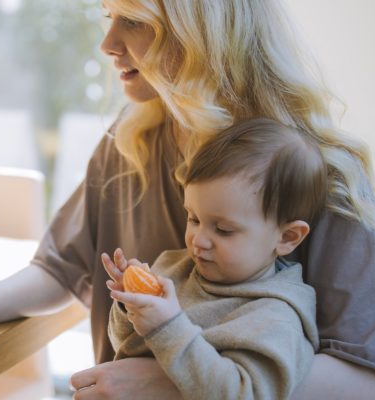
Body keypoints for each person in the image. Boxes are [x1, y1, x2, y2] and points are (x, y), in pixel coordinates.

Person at [0, 0, 375, 398]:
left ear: (202, 32)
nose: (107, 43)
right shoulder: (131, 139)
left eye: (134, 21)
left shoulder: (319, 173)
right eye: (108, 16)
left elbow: (364, 379)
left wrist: (180, 385)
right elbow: (61, 267)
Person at [103, 118, 325, 399]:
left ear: (287, 237)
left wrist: (167, 327)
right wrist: (130, 305)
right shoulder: (174, 268)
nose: (198, 239)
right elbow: (126, 348)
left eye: (223, 230)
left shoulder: (275, 317)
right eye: (193, 218)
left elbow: (242, 394)